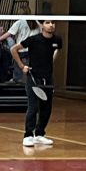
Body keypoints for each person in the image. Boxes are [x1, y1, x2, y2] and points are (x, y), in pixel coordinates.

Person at [11, 19, 62, 147]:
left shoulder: (57, 40)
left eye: (53, 23)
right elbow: (14, 49)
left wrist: (51, 61)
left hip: (48, 78)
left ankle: (39, 134)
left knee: (47, 108)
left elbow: (57, 50)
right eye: (47, 23)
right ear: (42, 25)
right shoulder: (33, 40)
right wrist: (22, 66)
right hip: (33, 77)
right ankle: (28, 135)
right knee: (33, 107)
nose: (51, 25)